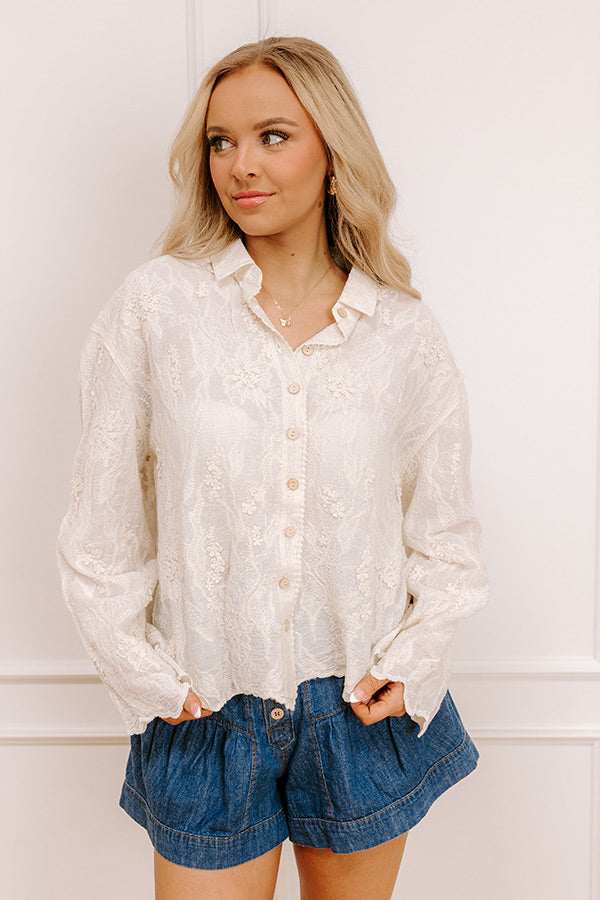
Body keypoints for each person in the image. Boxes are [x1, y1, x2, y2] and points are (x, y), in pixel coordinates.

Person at [57, 35, 490, 900]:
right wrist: (146, 673)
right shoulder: (156, 308)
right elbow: (101, 527)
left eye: (273, 136)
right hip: (206, 708)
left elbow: (446, 535)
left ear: (334, 154)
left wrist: (416, 657)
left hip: (359, 710)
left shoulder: (401, 332)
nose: (240, 165)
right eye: (220, 141)